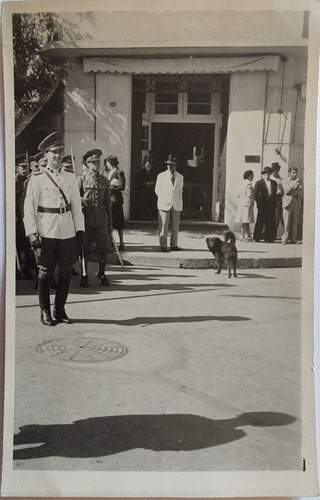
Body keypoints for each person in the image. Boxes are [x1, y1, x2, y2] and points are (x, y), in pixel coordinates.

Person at [23, 132, 85, 326]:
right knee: (44, 272)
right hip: (46, 230)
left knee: (66, 272)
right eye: (54, 152)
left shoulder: (70, 177)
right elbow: (29, 209)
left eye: (60, 152)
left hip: (66, 231)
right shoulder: (37, 179)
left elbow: (76, 206)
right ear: (46, 156)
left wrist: (80, 230)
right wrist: (32, 233)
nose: (57, 156)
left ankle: (60, 310)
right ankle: (44, 311)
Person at [78, 149, 113, 287]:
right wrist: (82, 199)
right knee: (85, 249)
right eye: (93, 162)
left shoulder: (104, 181)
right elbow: (74, 200)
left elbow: (107, 204)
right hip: (86, 218)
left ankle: (102, 273)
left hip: (101, 218)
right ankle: (85, 275)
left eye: (98, 161)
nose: (96, 164)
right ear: (87, 163)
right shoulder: (81, 179)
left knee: (103, 248)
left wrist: (110, 223)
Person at [155, 154, 184, 252]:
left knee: (175, 226)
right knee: (163, 225)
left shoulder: (180, 177)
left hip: (176, 204)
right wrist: (164, 198)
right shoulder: (161, 176)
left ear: (176, 166)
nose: (170, 167)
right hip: (164, 203)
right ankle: (163, 245)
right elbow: (157, 190)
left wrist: (178, 202)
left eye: (172, 165)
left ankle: (174, 245)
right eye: (168, 165)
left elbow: (180, 190)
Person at [104, 155, 126, 251]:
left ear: (110, 163)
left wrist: (109, 188)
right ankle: (111, 241)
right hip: (110, 200)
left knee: (119, 222)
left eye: (107, 163)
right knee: (110, 221)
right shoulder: (109, 173)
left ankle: (121, 242)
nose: (107, 165)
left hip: (116, 200)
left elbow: (122, 186)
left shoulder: (119, 172)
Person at [253, 166, 277, 243]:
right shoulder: (259, 183)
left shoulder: (274, 182)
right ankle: (257, 237)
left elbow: (275, 193)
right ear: (263, 174)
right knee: (260, 220)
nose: (267, 174)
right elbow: (255, 194)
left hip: (271, 203)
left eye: (268, 173)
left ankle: (269, 238)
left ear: (270, 174)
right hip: (262, 204)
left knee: (270, 221)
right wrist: (258, 203)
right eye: (265, 173)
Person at [281, 166, 303, 244]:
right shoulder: (285, 181)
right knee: (286, 222)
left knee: (295, 221)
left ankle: (293, 239)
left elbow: (300, 192)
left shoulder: (299, 181)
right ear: (289, 173)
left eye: (296, 172)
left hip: (296, 202)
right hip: (287, 203)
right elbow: (287, 190)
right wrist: (295, 183)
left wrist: (293, 192)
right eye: (293, 172)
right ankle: (285, 239)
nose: (295, 174)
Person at [235, 170, 254, 241]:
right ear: (249, 176)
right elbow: (250, 195)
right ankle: (242, 235)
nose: (253, 177)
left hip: (242, 203)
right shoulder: (249, 184)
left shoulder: (241, 183)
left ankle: (248, 235)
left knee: (245, 220)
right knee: (245, 220)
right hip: (247, 203)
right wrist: (252, 202)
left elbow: (238, 194)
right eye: (252, 175)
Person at [270, 161, 284, 239]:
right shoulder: (270, 178)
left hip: (278, 197)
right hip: (271, 198)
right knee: (270, 215)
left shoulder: (281, 179)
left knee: (277, 215)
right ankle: (267, 233)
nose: (276, 171)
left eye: (277, 169)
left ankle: (274, 234)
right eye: (274, 169)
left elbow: (282, 189)